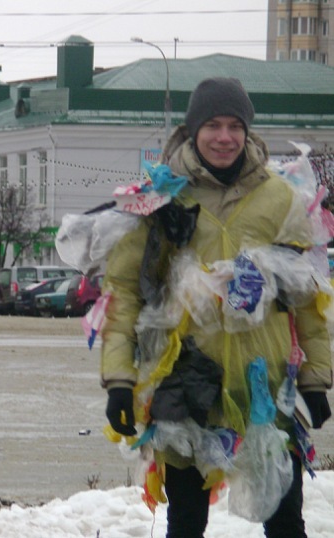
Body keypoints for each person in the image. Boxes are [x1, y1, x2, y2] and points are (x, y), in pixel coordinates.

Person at [101, 77, 332, 537]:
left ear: (247, 131)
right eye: (212, 126)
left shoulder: (281, 197)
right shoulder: (161, 197)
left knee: (287, 524)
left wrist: (315, 378)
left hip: (266, 389)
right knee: (186, 524)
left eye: (235, 126)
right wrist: (120, 381)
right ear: (193, 130)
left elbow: (308, 294)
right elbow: (123, 292)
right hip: (187, 387)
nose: (224, 137)